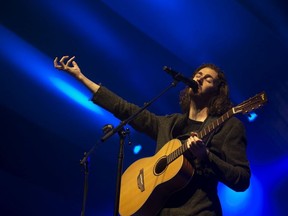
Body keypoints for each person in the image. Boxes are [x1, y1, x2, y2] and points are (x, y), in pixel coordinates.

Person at [54, 56, 251, 216]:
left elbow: (241, 179)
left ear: (217, 91)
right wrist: (81, 78)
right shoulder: (169, 123)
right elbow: (124, 108)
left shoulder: (228, 126)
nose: (199, 78)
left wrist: (206, 156)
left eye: (208, 79)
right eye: (198, 74)